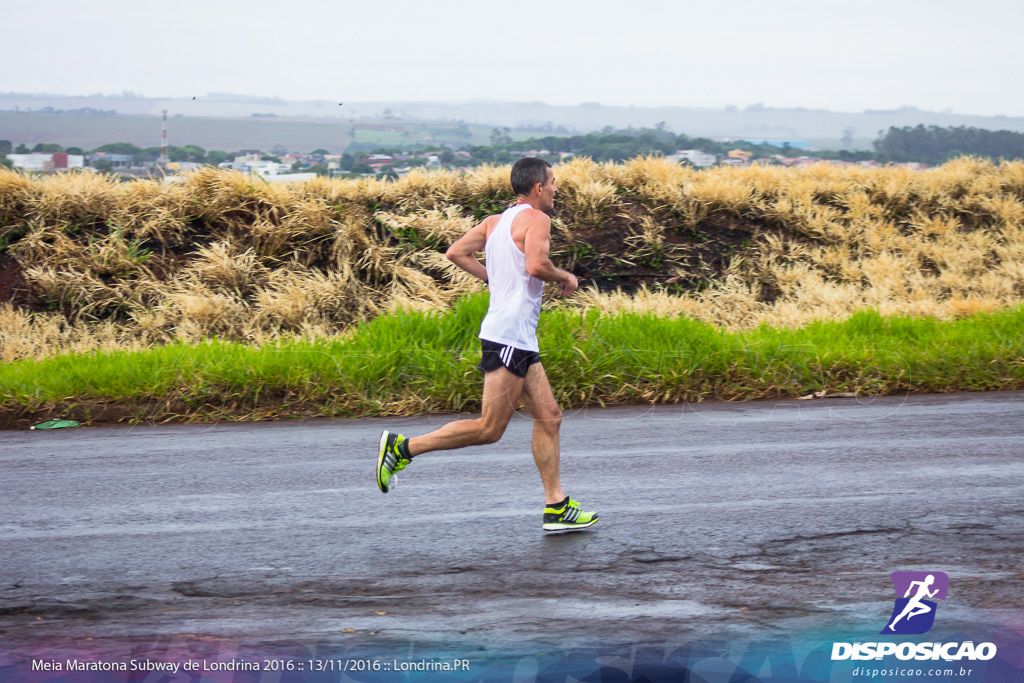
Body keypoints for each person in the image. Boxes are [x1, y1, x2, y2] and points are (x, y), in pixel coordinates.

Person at [376, 157, 598, 532]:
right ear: (538, 187)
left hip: (518, 336)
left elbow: (455, 253)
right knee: (489, 428)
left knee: (550, 416)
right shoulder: (538, 219)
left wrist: (494, 278)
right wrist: (565, 277)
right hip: (509, 335)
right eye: (554, 182)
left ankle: (556, 507)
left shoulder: (495, 222)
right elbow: (535, 266)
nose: (557, 189)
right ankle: (402, 449)